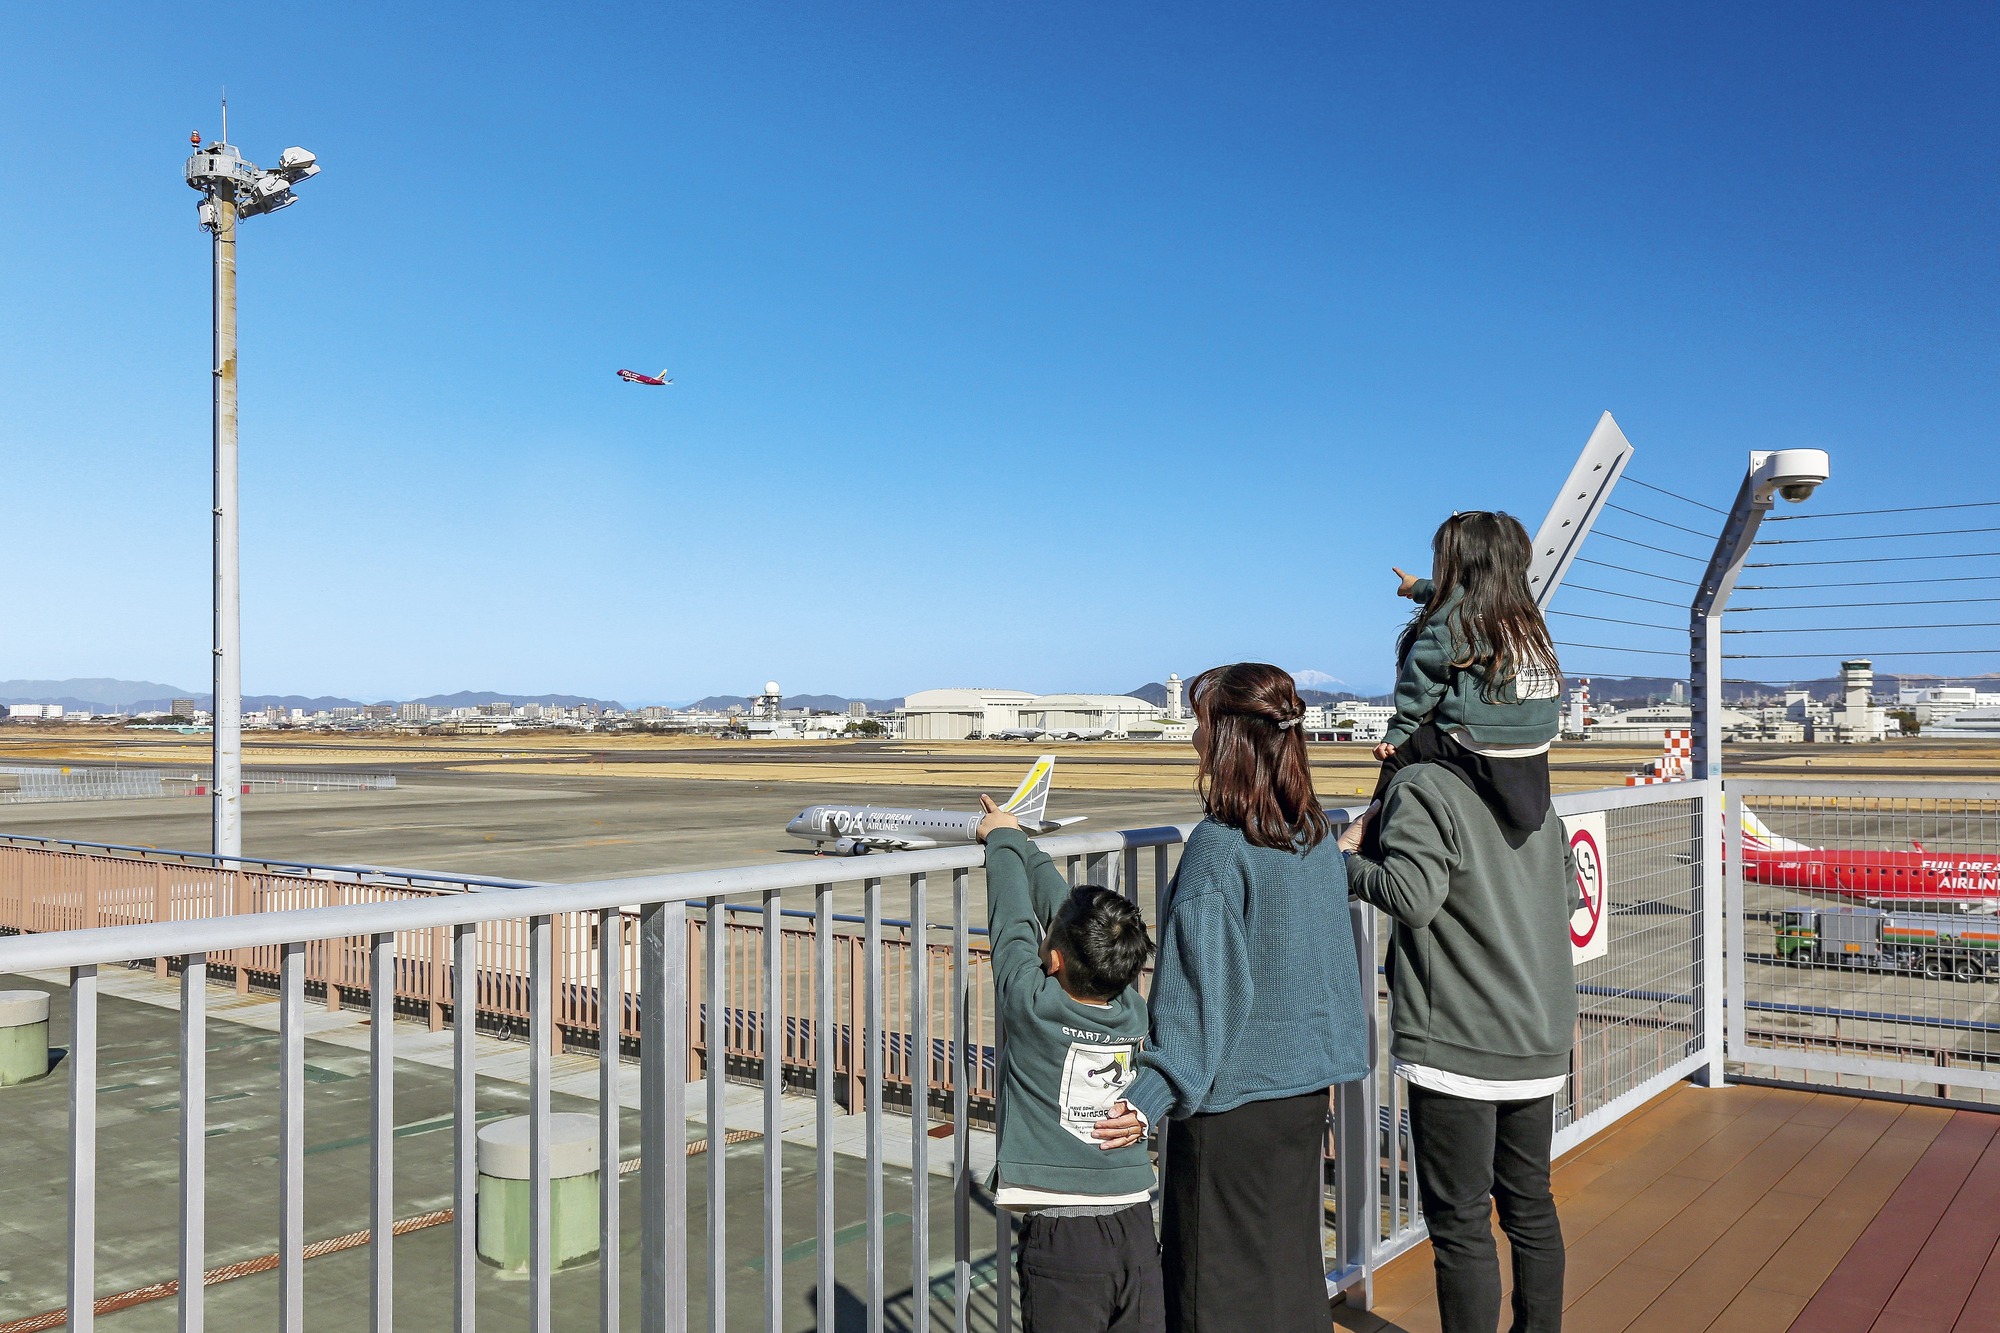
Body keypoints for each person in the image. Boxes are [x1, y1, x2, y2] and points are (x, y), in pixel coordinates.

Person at [1089, 662, 1371, 1333]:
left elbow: (1195, 1005)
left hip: (1230, 1111)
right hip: (1303, 1097)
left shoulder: (1217, 851)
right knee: (1289, 1274)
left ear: (1230, 740)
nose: (1192, 738)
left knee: (1211, 1292)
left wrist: (1146, 1098)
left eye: (1201, 723)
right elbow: (1332, 969)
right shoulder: (1312, 836)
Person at [1338, 757, 1579, 1333]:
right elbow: (1567, 898)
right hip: (1537, 1034)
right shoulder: (1532, 788)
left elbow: (1412, 895)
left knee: (1461, 1223)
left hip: (1457, 1040)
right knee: (1530, 1206)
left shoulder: (1423, 785)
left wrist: (1345, 861)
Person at [977, 793, 1163, 1333]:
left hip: (1061, 1240)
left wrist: (1003, 838)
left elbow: (1010, 920)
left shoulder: (1029, 1001)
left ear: (1053, 957)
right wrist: (1025, 843)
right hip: (1133, 1220)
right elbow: (1074, 922)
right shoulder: (1131, 1006)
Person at [1363, 511, 1563, 856]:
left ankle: (1367, 848)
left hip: (1480, 744)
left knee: (1404, 751)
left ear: (1455, 565)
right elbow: (1454, 595)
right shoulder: (1527, 616)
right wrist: (1416, 588)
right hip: (1534, 746)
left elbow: (1420, 685)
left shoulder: (1454, 622)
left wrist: (1397, 731)